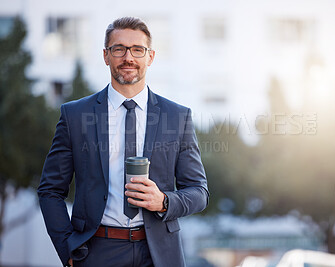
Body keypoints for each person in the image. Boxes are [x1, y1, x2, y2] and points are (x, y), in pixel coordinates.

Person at [37, 17, 209, 267]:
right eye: (119, 49)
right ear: (106, 56)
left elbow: (199, 192)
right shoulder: (75, 116)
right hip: (96, 251)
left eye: (137, 49)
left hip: (159, 254)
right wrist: (67, 249)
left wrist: (164, 201)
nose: (128, 57)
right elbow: (50, 190)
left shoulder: (178, 117)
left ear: (150, 57)